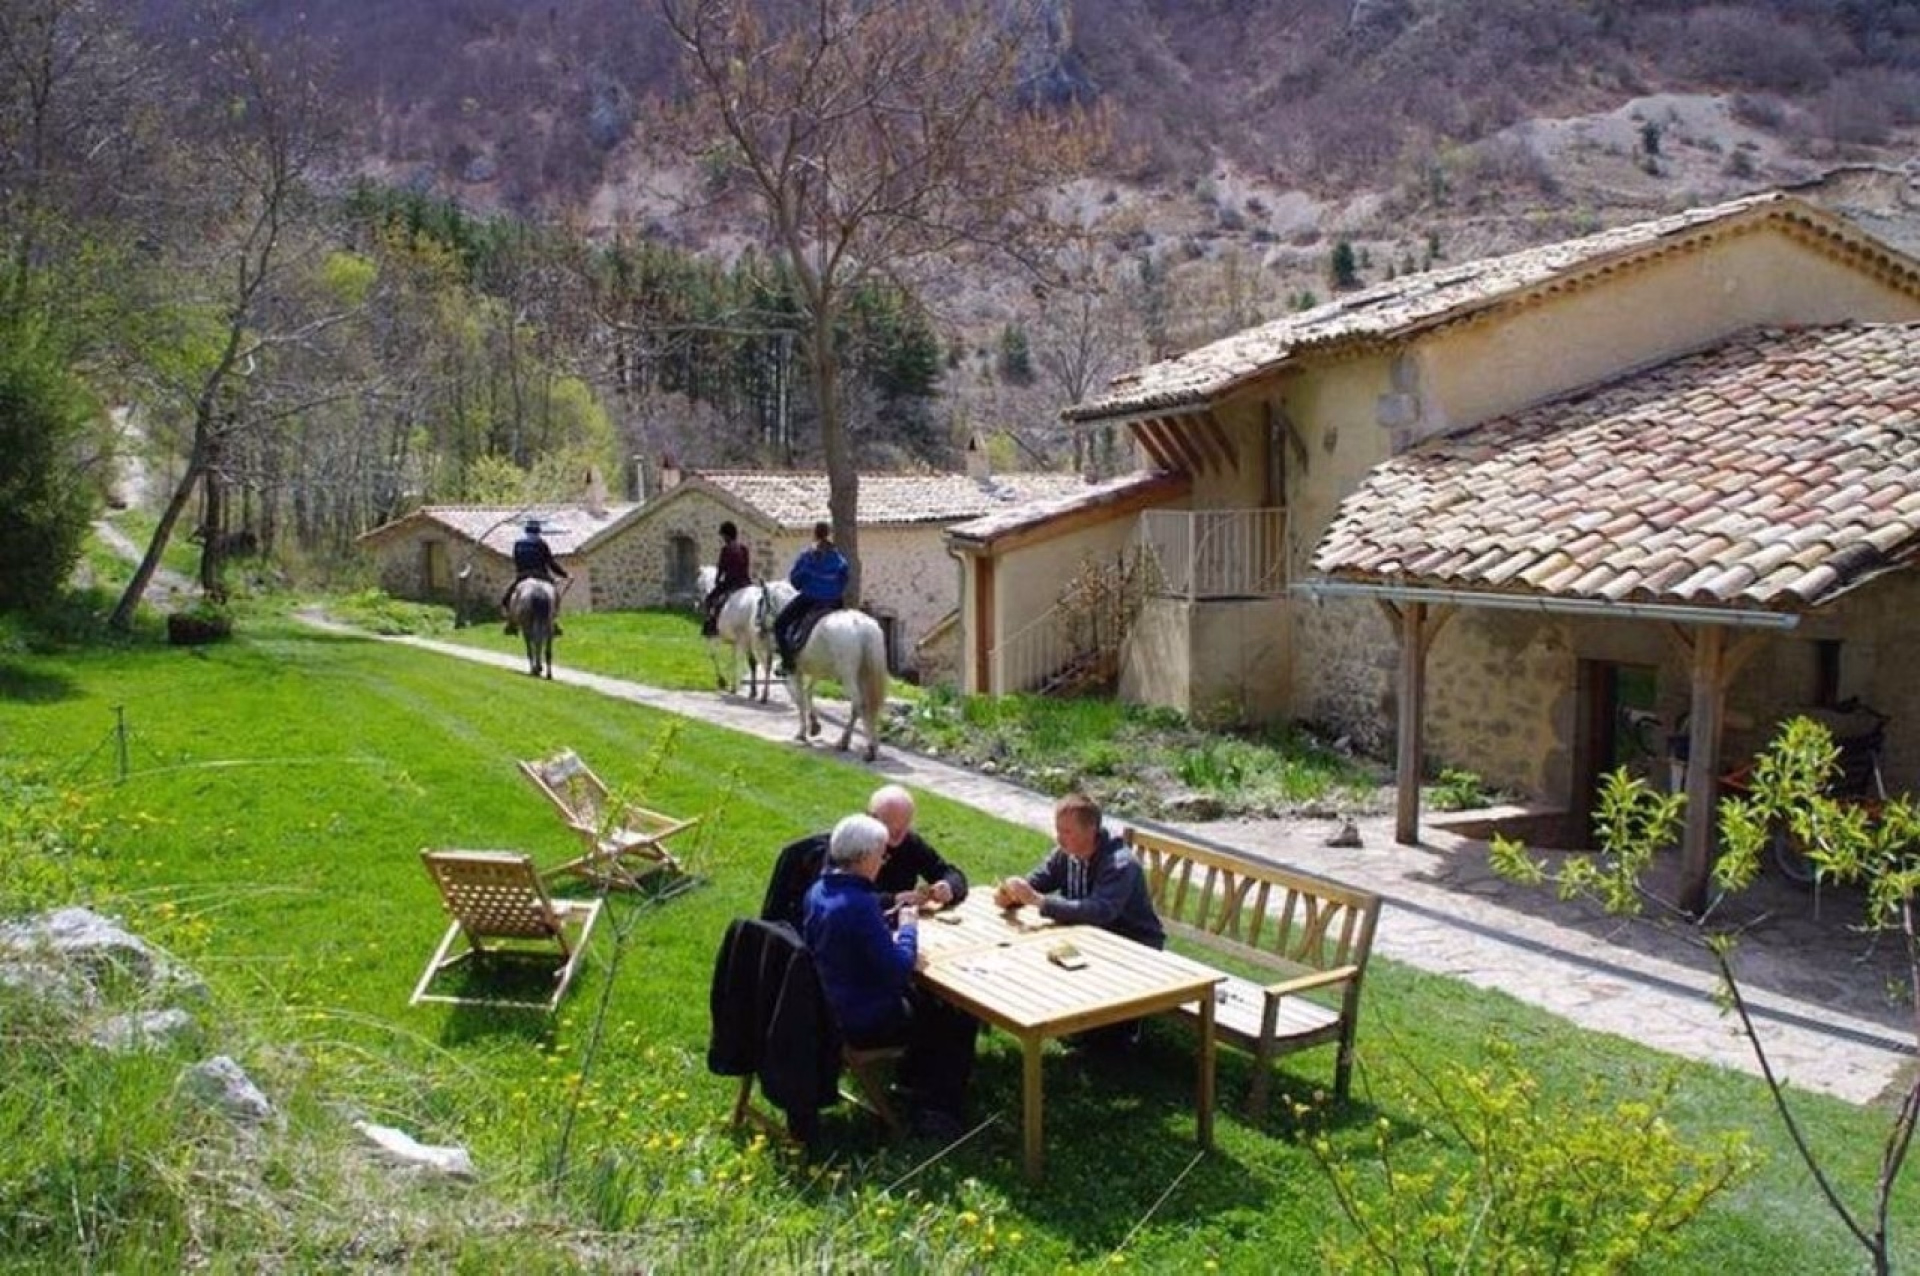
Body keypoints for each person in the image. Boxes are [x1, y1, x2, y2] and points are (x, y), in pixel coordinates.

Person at [802, 813, 978, 1139]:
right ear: (865, 857)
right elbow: (898, 971)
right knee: (957, 1013)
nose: (883, 861)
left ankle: (914, 1077)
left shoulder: (819, 890)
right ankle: (937, 1109)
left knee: (930, 1001)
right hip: (860, 1017)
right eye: (881, 855)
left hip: (828, 1002)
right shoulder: (858, 904)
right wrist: (908, 928)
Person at [994, 792, 1165, 1050]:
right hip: (1090, 938)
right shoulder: (1065, 854)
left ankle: (1123, 1031)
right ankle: (1073, 1023)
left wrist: (1039, 901)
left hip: (1132, 945)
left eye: (1067, 831)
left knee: (1106, 1044)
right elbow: (1038, 882)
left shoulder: (1119, 863)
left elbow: (1100, 911)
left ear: (1091, 830)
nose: (1059, 837)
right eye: (1058, 830)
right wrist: (1012, 894)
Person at [760, 784, 968, 931]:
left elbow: (949, 872)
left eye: (904, 830)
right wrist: (893, 900)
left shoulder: (909, 842)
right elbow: (838, 899)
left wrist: (947, 887)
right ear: (871, 818)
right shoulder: (848, 846)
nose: (897, 841)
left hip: (889, 930)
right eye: (892, 832)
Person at [773, 520, 849, 676]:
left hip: (811, 599)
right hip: (834, 602)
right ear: (829, 534)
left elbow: (795, 581)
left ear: (814, 534)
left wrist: (808, 582)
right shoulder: (839, 558)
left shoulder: (808, 556)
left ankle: (788, 663)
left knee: (779, 625)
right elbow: (844, 578)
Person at [502, 518, 570, 636]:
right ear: (538, 531)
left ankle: (511, 623)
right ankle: (553, 621)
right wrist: (564, 574)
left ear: (526, 531)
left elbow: (516, 561)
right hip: (541, 575)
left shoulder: (518, 543)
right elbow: (550, 563)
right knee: (556, 597)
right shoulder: (541, 544)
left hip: (523, 575)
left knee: (507, 599)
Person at [700, 520, 752, 638]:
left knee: (710, 599)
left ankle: (711, 625)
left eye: (723, 536)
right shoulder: (744, 548)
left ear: (726, 535)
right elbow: (746, 565)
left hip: (731, 582)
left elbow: (721, 567)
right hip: (745, 581)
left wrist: (718, 581)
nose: (723, 538)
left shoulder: (726, 549)